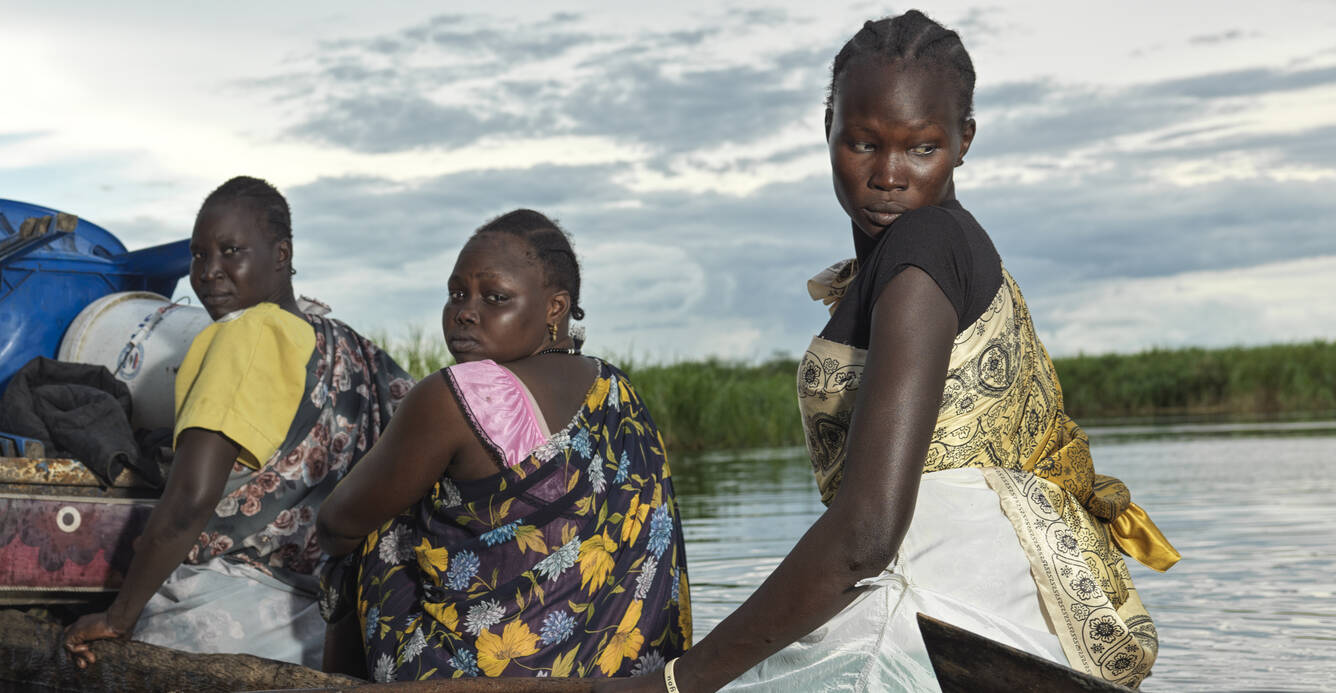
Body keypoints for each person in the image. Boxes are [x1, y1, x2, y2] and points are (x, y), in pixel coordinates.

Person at [614, 11, 1181, 693]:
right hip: (1023, 600)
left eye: (922, 148)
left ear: (964, 140)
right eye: (862, 144)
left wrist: (680, 679)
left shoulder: (925, 249)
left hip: (932, 602)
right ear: (827, 126)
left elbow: (868, 535)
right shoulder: (942, 248)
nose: (889, 175)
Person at [315, 210, 691, 682]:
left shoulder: (457, 393)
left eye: (495, 297)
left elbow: (334, 524)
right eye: (457, 294)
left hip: (470, 678)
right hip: (624, 678)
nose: (465, 312)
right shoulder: (616, 389)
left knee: (378, 525)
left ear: (555, 308)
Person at [62, 176, 415, 668]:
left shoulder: (242, 335)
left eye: (231, 251)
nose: (209, 272)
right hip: (328, 628)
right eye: (199, 255)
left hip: (224, 616)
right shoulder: (347, 347)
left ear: (281, 254)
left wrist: (119, 617)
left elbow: (189, 502)